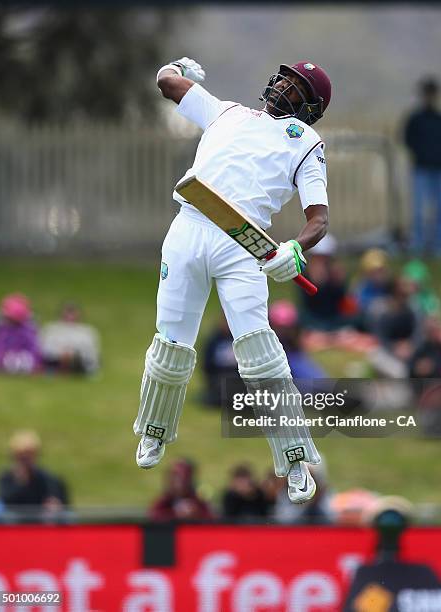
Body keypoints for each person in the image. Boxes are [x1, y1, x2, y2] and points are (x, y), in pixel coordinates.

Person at [133, 57, 331, 504]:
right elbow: (166, 82)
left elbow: (318, 217)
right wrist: (178, 65)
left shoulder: (307, 142)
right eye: (283, 77)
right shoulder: (227, 111)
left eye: (296, 85)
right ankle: (154, 431)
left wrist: (296, 248)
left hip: (245, 243)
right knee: (171, 345)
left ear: (312, 106)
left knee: (261, 356)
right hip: (188, 227)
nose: (283, 85)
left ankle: (296, 458)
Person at [403, 76, 441, 257]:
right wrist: (420, 154)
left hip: (439, 169)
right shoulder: (416, 119)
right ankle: (418, 244)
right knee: (418, 209)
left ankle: (440, 246)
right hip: (421, 169)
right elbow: (408, 139)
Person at [0, 431, 69, 519]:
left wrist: (54, 505)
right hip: (14, 521)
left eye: (29, 455)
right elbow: (5, 502)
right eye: (22, 456)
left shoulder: (47, 478)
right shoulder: (7, 477)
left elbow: (59, 500)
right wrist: (21, 482)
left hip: (40, 521)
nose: (26, 460)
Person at [40, 302, 100, 374]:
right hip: (55, 360)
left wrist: (72, 354)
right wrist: (61, 354)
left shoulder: (87, 331)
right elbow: (44, 347)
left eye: (72, 313)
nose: (70, 316)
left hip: (79, 361)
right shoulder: (51, 329)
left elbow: (91, 352)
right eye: (68, 312)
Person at [148, 459, 214, 522]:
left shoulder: (199, 502)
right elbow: (153, 516)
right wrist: (175, 514)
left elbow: (212, 519)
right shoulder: (164, 502)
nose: (179, 481)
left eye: (184, 476)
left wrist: (196, 514)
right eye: (175, 476)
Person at [0, 294, 42, 375]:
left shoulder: (28, 330)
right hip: (6, 356)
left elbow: (33, 348)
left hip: (23, 357)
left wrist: (36, 363)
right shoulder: (3, 329)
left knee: (21, 361)